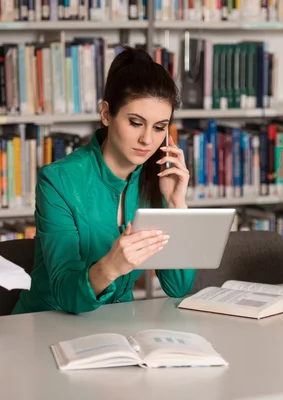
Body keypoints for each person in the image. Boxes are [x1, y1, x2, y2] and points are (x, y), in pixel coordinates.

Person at [12, 46, 196, 315]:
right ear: (106, 114)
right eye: (136, 122)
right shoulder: (58, 180)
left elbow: (177, 287)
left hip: (117, 325)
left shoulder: (156, 177)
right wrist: (111, 266)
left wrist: (176, 203)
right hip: (48, 321)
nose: (148, 139)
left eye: (159, 127)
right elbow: (66, 294)